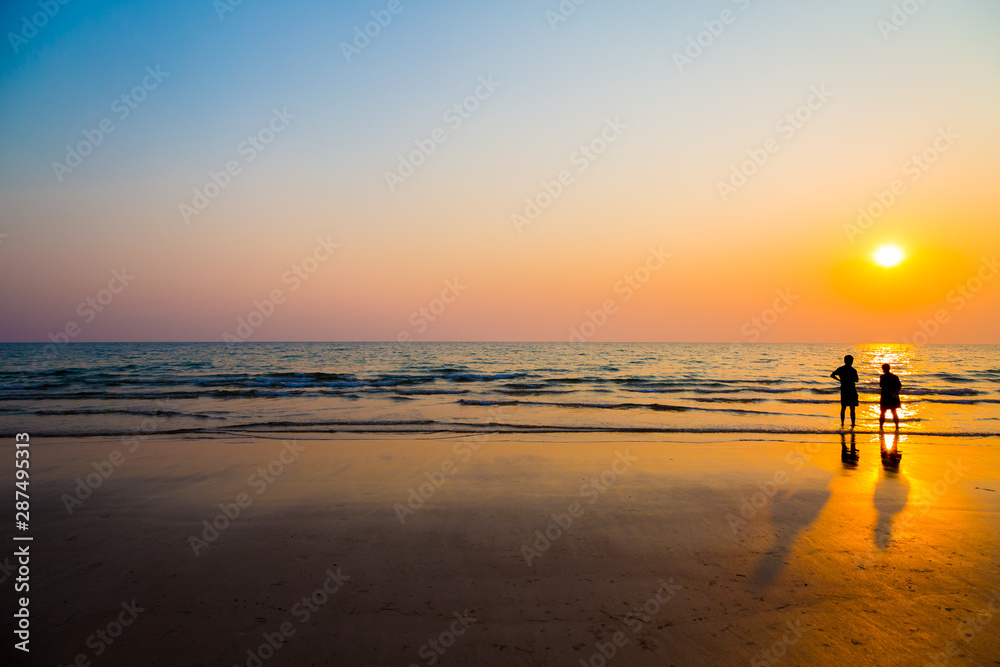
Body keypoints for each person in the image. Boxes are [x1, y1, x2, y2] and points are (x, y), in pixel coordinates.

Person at [831, 355, 859, 429]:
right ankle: (853, 424)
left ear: (844, 361)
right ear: (852, 361)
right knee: (852, 408)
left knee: (843, 407)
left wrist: (840, 380)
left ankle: (842, 423)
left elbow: (832, 375)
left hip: (844, 390)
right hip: (852, 390)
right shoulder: (853, 370)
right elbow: (857, 380)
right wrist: (851, 379)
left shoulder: (841, 369)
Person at [879, 363, 902, 430]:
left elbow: (883, 386)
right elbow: (899, 386)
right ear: (889, 368)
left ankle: (881, 427)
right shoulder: (895, 377)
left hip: (885, 397)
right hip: (894, 397)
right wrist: (895, 392)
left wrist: (891, 393)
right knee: (894, 411)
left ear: (883, 369)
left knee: (883, 412)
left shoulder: (882, 377)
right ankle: (897, 427)